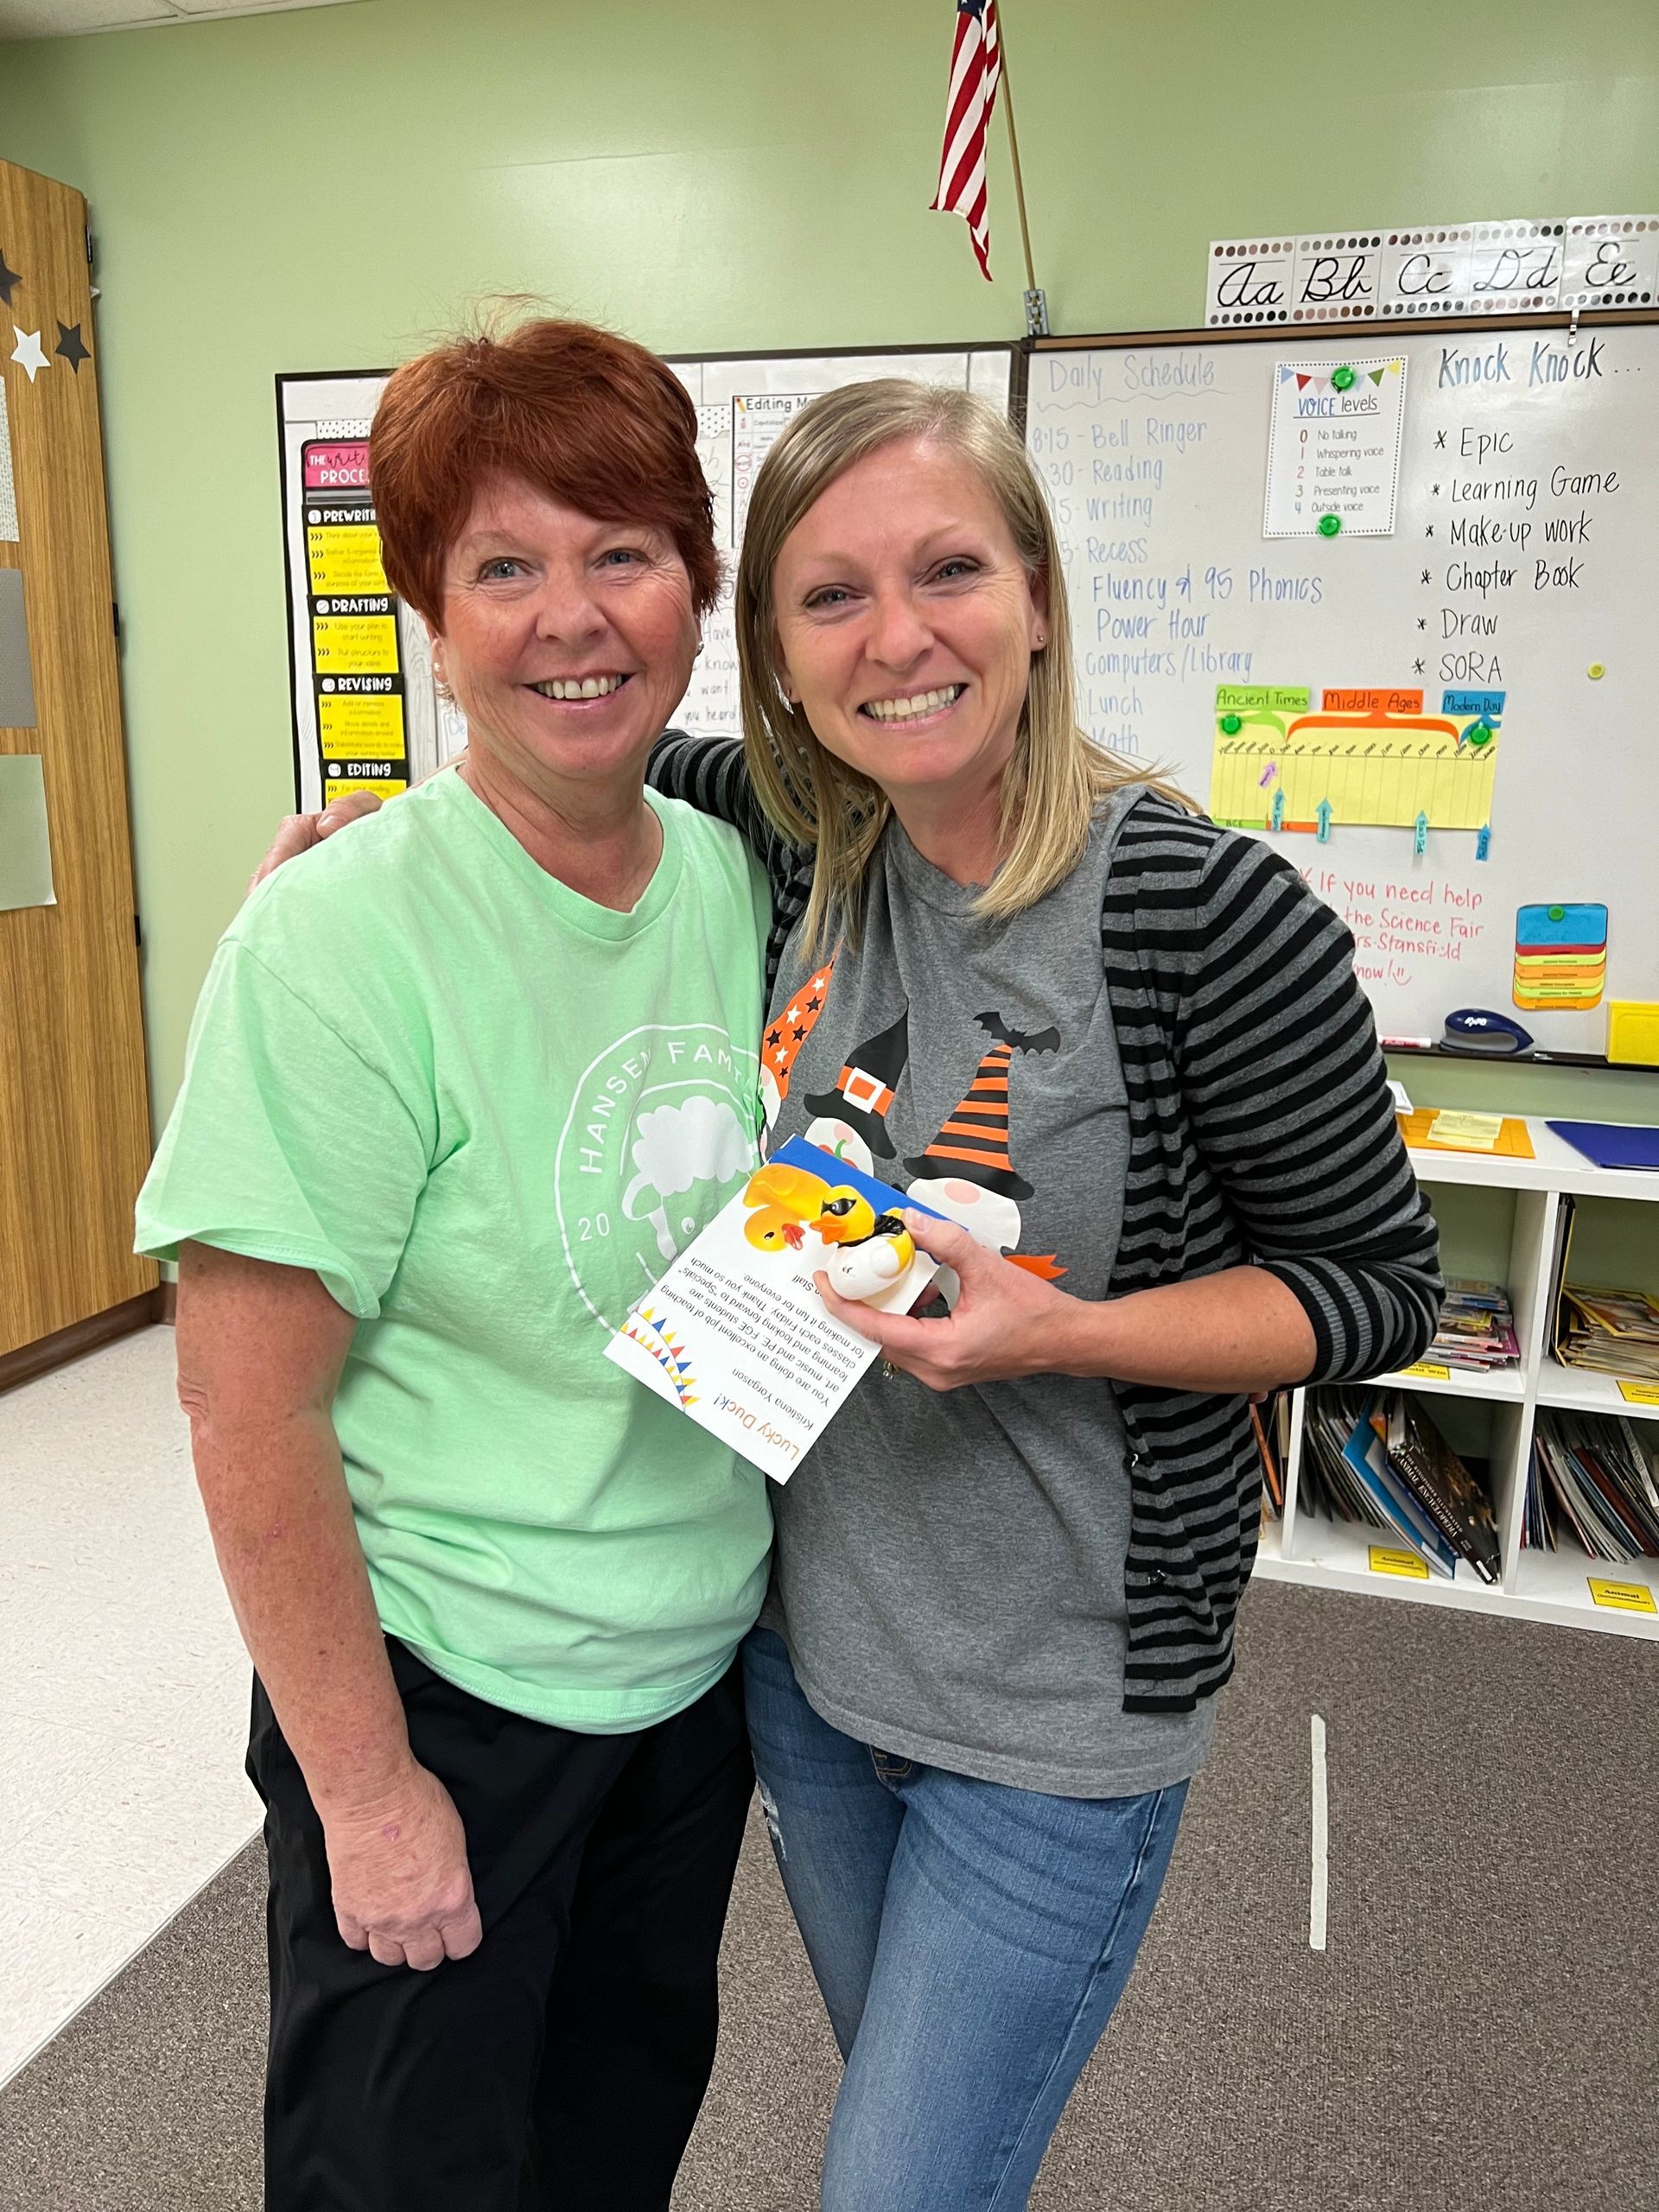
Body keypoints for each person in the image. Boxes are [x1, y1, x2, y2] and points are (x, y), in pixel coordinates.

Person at [263, 375, 1442, 2210]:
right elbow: (575, 736)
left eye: (951, 570)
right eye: (830, 598)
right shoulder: (795, 841)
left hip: (1054, 1711)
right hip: (804, 1674)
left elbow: (1377, 1287)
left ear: (1039, 595)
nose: (899, 641)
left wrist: (1066, 1331)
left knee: (901, 2184)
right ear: (780, 658)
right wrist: (371, 864)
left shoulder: (1204, 912)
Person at [135, 318, 779, 2212]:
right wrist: (364, 1790)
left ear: (696, 584)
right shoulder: (341, 938)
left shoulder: (735, 875)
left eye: (622, 553)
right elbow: (240, 1409)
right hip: (446, 1697)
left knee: (606, 2157)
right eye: (505, 564)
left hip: (689, 1687)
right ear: (430, 603)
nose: (572, 616)